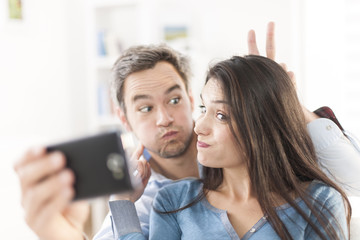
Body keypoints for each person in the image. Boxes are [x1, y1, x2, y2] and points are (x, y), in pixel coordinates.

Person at [13, 23, 359, 240]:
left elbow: (354, 177)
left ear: (190, 97)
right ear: (124, 118)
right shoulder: (162, 201)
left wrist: (281, 101)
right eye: (145, 107)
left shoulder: (316, 198)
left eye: (175, 99)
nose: (166, 118)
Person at [114, 55, 351, 240]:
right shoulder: (174, 201)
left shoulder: (320, 201)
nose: (200, 127)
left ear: (263, 124)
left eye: (221, 115)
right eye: (204, 110)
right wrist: (122, 204)